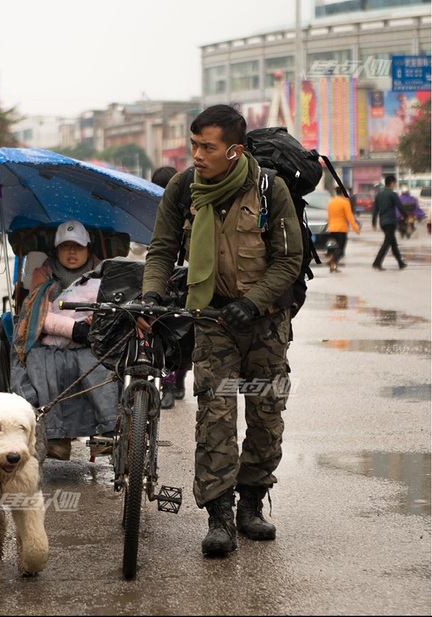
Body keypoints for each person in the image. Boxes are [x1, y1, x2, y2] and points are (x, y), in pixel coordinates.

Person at [140, 104, 303, 557]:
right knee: (215, 416)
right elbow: (161, 249)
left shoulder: (271, 189)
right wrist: (153, 293)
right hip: (211, 321)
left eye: (206, 147)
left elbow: (289, 260)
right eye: (193, 144)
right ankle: (220, 518)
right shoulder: (182, 188)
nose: (196, 155)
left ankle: (251, 504)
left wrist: (252, 303)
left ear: (233, 150)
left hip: (266, 321)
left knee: (266, 415)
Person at [10, 220, 119, 461]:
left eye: (77, 246)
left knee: (98, 364)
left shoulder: (106, 273)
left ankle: (107, 430)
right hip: (51, 339)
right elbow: (36, 315)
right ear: (56, 249)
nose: (72, 252)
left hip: (93, 341)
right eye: (66, 246)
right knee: (41, 362)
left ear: (88, 248)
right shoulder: (43, 273)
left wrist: (93, 323)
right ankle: (55, 437)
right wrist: (73, 328)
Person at [151, 165, 189, 409]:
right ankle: (169, 382)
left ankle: (177, 380)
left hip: (181, 282)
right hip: (159, 283)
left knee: (180, 337)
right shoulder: (153, 210)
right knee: (165, 337)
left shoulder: (185, 210)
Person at [372, 175, 408, 271]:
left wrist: (374, 223)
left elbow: (375, 210)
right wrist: (405, 215)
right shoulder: (392, 194)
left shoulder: (379, 195)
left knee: (393, 243)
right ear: (392, 183)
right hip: (390, 222)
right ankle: (377, 262)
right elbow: (400, 206)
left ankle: (400, 263)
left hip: (383, 223)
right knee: (387, 242)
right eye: (394, 184)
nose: (394, 185)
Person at [326, 186, 361, 272]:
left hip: (332, 228)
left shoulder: (331, 202)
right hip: (341, 229)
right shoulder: (345, 202)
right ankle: (333, 261)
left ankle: (334, 265)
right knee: (341, 250)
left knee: (336, 248)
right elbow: (349, 217)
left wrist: (329, 227)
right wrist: (356, 229)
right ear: (342, 193)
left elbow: (329, 216)